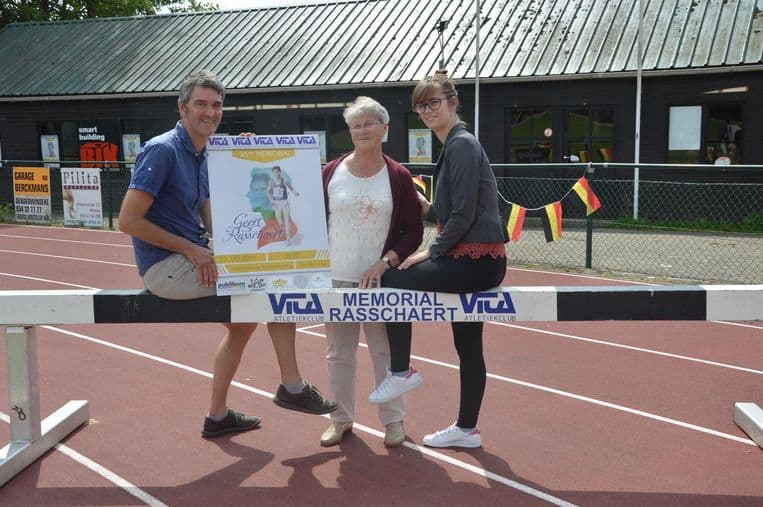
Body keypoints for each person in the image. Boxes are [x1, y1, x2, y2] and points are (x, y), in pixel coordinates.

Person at [118, 70, 336, 439]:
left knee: (244, 323)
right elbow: (127, 220)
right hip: (165, 267)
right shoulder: (164, 150)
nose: (210, 112)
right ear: (182, 107)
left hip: (190, 257)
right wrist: (193, 250)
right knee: (270, 287)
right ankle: (292, 386)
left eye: (216, 105)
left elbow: (213, 220)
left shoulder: (204, 154)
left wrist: (242, 160)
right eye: (201, 104)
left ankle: (217, 416)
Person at [368, 71, 508, 448]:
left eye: (434, 102)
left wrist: (431, 251)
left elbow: (461, 217)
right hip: (480, 260)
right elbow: (446, 212)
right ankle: (468, 429)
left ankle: (401, 369)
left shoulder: (461, 145)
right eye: (421, 105)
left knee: (394, 278)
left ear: (452, 103)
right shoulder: (454, 146)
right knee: (468, 343)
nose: (427, 110)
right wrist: (421, 203)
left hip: (474, 260)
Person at [318, 96, 424, 448]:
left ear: (385, 129)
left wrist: (386, 261)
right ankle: (340, 419)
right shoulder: (331, 171)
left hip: (381, 281)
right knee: (339, 353)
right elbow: (313, 222)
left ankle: (393, 421)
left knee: (384, 353)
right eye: (355, 125)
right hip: (336, 277)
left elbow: (413, 230)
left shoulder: (398, 175)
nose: (362, 130)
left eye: (368, 124)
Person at [267, 165, 299, 245]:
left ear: (280, 172)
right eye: (274, 172)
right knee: (280, 222)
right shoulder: (271, 182)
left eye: (277, 171)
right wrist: (271, 200)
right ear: (273, 173)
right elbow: (268, 192)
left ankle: (288, 238)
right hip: (276, 204)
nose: (276, 173)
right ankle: (284, 233)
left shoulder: (284, 181)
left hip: (284, 202)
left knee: (287, 221)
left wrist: (295, 193)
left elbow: (291, 188)